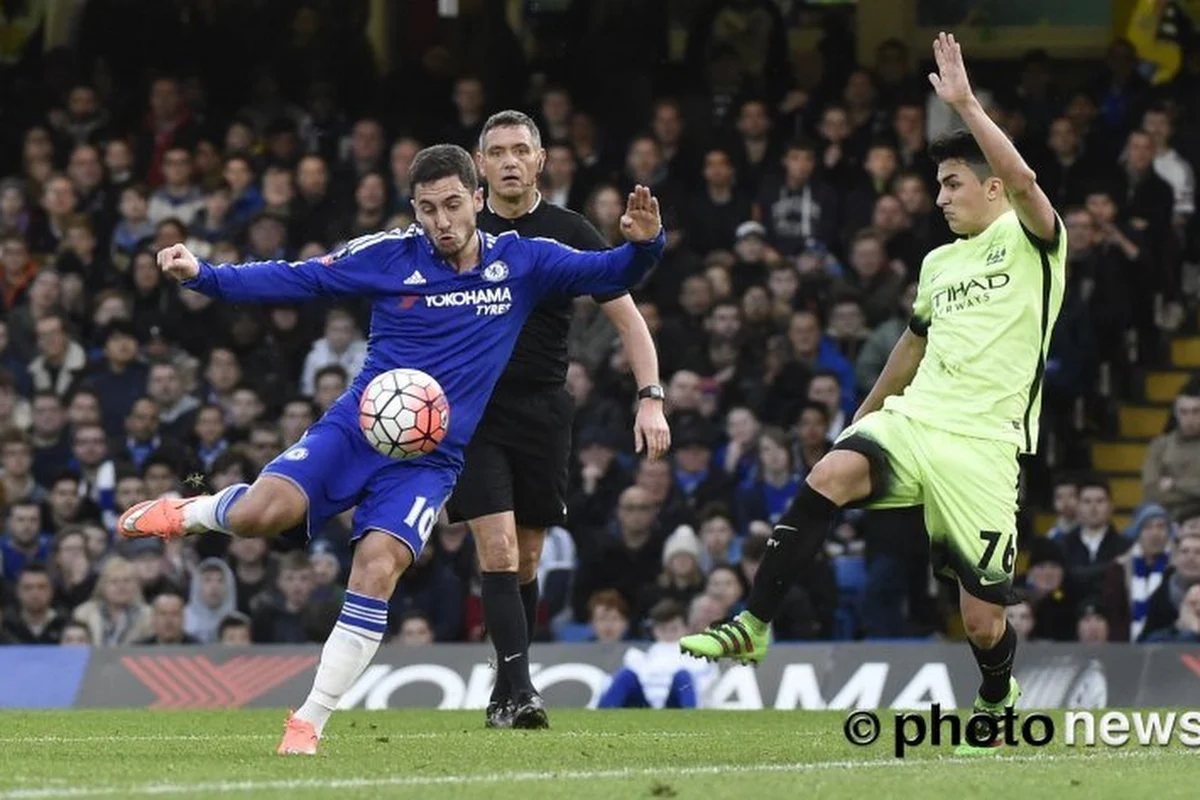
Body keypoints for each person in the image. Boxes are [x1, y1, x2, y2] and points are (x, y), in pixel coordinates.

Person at [116, 143, 666, 756]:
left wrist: (645, 245)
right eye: (428, 209)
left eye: (454, 205)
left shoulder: (525, 261)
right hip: (356, 428)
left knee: (378, 567)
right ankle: (186, 514)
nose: (442, 222)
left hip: (430, 459)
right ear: (414, 209)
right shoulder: (387, 255)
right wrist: (206, 275)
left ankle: (308, 722)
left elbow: (611, 273)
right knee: (259, 515)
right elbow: (299, 278)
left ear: (478, 201)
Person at [680, 33, 1066, 756]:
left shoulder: (1035, 241)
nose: (941, 196)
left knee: (982, 622)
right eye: (941, 184)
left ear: (990, 187)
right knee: (827, 473)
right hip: (918, 421)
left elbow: (1025, 180)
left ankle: (996, 694)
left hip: (984, 445)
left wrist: (965, 105)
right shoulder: (937, 263)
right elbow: (912, 343)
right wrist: (866, 413)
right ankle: (753, 623)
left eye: (954, 183)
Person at [449, 110, 671, 729]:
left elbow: (629, 318)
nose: (511, 161)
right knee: (494, 549)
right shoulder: (458, 228)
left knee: (525, 557)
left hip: (544, 412)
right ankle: (521, 692)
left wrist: (649, 395)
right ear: (480, 164)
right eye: (498, 152)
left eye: (522, 149)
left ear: (541, 160)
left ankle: (506, 685)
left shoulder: (568, 230)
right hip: (474, 414)